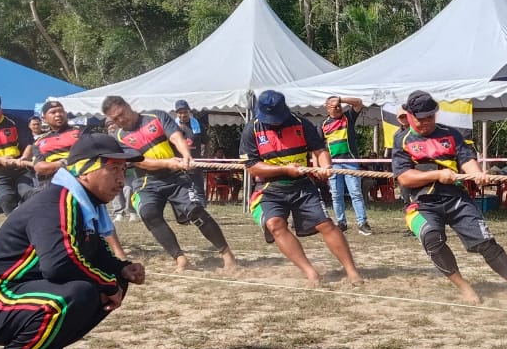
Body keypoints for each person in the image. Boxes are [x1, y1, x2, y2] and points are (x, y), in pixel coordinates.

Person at [0, 133, 147, 349]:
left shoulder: (84, 203)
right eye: (113, 169)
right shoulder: (57, 202)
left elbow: (93, 251)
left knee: (109, 281)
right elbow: (59, 264)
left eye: (124, 170)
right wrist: (106, 282)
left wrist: (121, 269)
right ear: (84, 171)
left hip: (23, 292)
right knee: (79, 293)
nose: (121, 179)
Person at [392, 90, 507, 305]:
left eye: (429, 117)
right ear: (409, 115)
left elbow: (466, 160)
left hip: (457, 199)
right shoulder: (401, 140)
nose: (425, 123)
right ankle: (464, 287)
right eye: (420, 119)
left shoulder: (452, 134)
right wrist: (437, 175)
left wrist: (477, 174)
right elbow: (404, 177)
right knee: (431, 238)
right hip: (421, 204)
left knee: (486, 242)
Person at [102, 95, 237, 272]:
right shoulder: (118, 137)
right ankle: (180, 259)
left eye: (121, 114)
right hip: (146, 182)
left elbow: (176, 137)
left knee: (196, 211)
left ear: (128, 106)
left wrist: (186, 155)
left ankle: (227, 254)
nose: (120, 120)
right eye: (115, 118)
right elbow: (140, 161)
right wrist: (167, 162)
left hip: (176, 176)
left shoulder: (157, 116)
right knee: (148, 213)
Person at [241, 90, 363, 286]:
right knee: (275, 225)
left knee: (325, 224)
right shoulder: (251, 130)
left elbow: (320, 150)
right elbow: (252, 166)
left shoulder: (301, 123)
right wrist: (284, 170)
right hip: (269, 188)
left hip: (303, 186)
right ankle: (310, 272)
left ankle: (352, 271)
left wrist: (326, 166)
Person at [31, 100, 128, 259]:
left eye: (60, 110)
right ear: (44, 117)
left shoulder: (80, 132)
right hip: (53, 185)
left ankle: (119, 253)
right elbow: (39, 167)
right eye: (53, 112)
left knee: (99, 211)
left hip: (82, 181)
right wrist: (60, 164)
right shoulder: (40, 142)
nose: (58, 114)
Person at [321, 95, 373, 235]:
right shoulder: (323, 124)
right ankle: (341, 223)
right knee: (336, 195)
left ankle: (362, 223)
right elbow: (320, 148)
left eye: (339, 106)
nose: (338, 108)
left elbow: (359, 102)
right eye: (334, 106)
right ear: (327, 108)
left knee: (355, 193)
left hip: (351, 162)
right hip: (333, 165)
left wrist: (340, 99)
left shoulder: (348, 117)